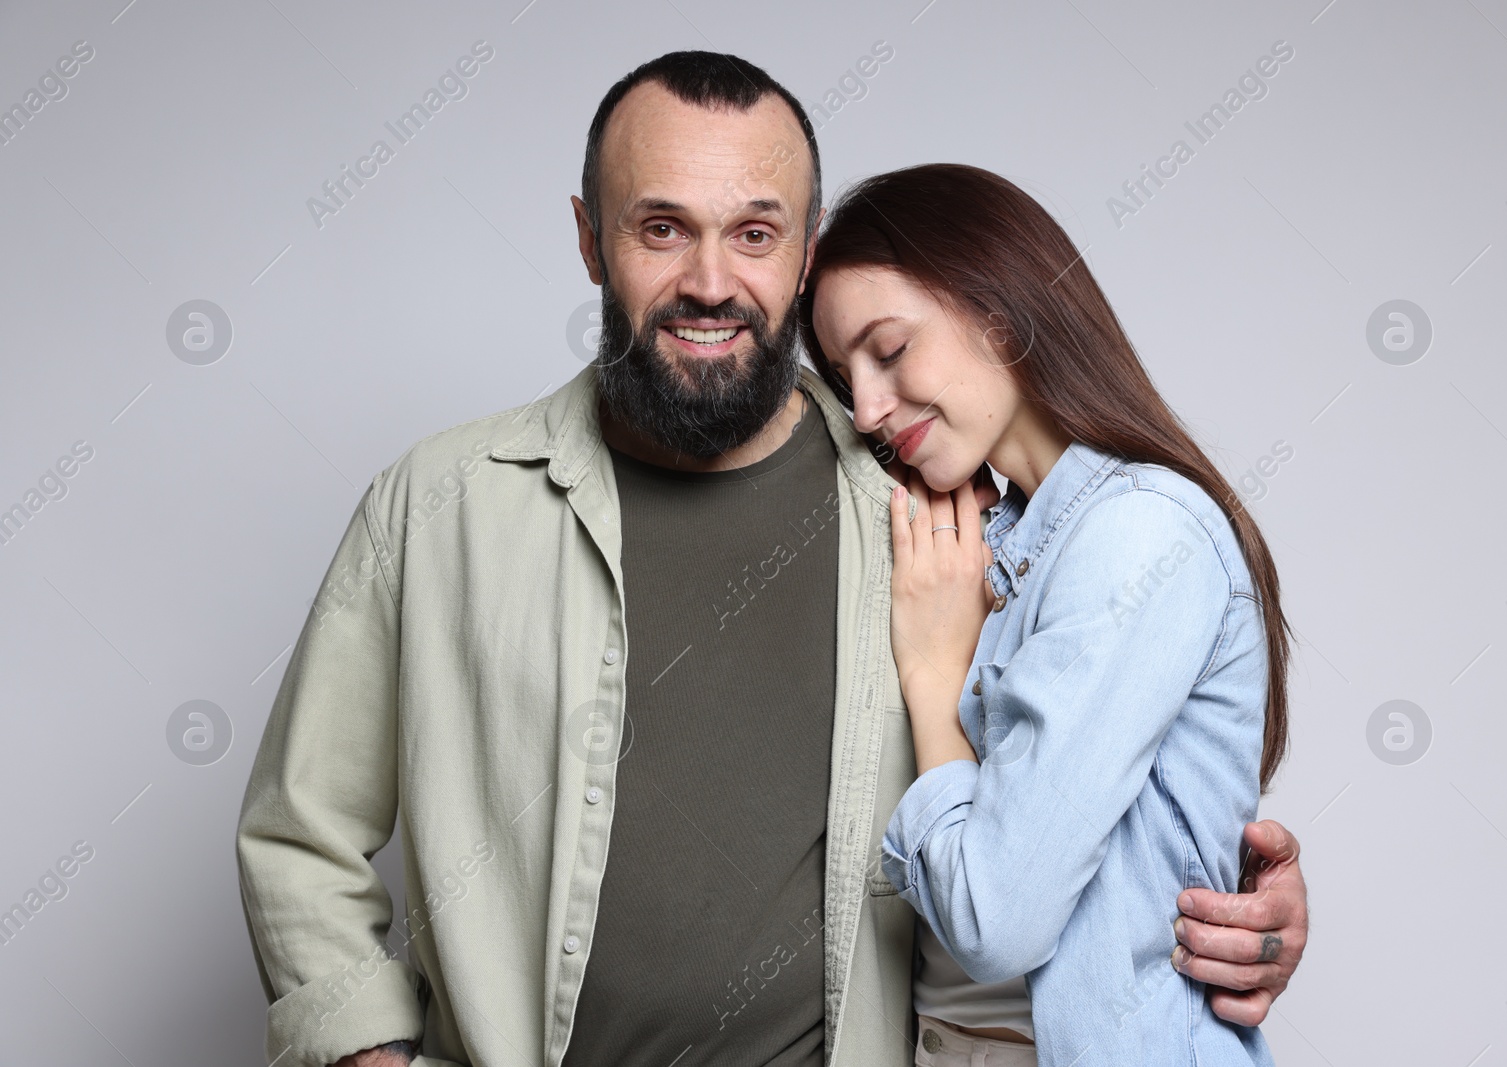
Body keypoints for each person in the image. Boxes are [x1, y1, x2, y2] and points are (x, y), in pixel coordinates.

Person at [235, 53, 1308, 1067]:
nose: (711, 279)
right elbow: (299, 832)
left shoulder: (947, 505)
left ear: (805, 253)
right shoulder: (439, 505)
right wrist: (366, 1053)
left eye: (755, 232)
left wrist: (1227, 900)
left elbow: (1064, 805)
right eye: (661, 227)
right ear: (588, 239)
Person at [802, 163, 1293, 1065]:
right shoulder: (985, 547)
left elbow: (998, 918)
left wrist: (933, 677)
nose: (867, 406)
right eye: (846, 377)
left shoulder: (1141, 532)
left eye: (889, 348)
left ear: (995, 309)